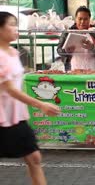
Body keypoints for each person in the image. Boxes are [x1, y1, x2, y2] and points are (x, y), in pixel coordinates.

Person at [0, 12, 61, 185]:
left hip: (15, 116)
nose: (15, 28)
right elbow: (10, 89)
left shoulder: (12, 52)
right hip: (2, 117)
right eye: (11, 24)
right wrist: (40, 104)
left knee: (34, 157)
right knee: (33, 157)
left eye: (16, 24)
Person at [57, 6, 95, 71]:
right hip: (72, 68)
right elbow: (59, 50)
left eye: (85, 19)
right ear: (75, 19)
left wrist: (93, 47)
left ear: (89, 19)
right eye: (80, 19)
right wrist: (66, 51)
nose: (82, 22)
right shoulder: (67, 32)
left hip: (93, 68)